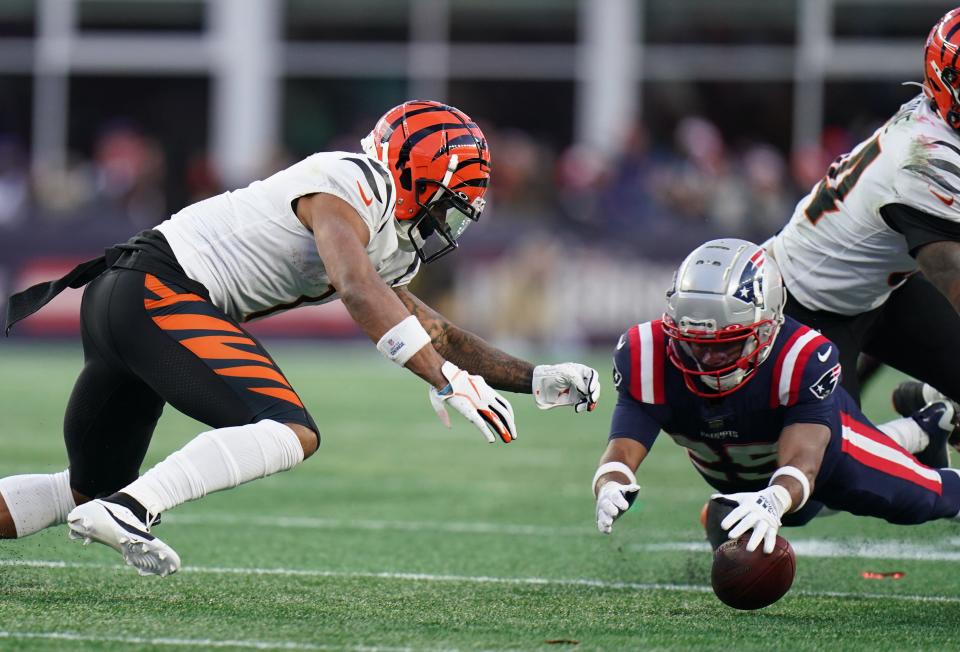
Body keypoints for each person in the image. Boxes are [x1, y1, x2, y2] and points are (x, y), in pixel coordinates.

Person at [0, 100, 601, 576]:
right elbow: (356, 288)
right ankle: (131, 510)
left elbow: (434, 329)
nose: (451, 219)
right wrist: (444, 381)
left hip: (124, 297)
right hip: (157, 289)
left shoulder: (382, 230)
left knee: (83, 486)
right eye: (450, 202)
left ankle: (113, 501)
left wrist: (535, 378)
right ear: (416, 175)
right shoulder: (353, 179)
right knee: (290, 428)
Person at [591, 239, 960, 553]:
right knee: (757, 522)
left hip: (826, 462)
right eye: (693, 344)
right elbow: (623, 448)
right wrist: (610, 481)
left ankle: (924, 429)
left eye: (726, 345)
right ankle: (925, 425)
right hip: (737, 475)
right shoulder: (646, 354)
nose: (706, 359)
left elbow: (804, 462)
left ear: (767, 327)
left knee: (928, 499)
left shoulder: (800, 357)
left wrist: (774, 499)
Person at [764, 7, 960, 437]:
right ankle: (926, 427)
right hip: (802, 306)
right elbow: (953, 281)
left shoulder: (938, 125)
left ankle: (926, 409)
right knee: (825, 478)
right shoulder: (928, 165)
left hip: (881, 287)